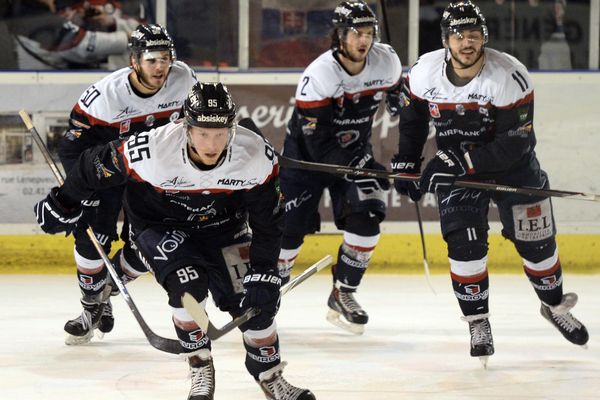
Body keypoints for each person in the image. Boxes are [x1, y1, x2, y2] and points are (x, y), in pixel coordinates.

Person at [34, 82, 316, 400]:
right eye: (203, 133)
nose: (212, 144)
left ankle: (270, 376)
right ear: (185, 125)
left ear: (232, 127)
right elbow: (93, 165)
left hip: (224, 229)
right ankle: (200, 365)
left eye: (220, 132)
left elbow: (269, 222)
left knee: (256, 306)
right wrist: (63, 203)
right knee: (189, 289)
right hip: (161, 226)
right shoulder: (152, 149)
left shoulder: (255, 154)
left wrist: (264, 271)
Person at [391, 0, 588, 365]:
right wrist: (406, 160)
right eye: (458, 35)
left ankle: (554, 304)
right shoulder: (423, 73)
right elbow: (414, 118)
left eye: (474, 34)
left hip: (512, 168)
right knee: (464, 246)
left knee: (538, 244)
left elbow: (518, 141)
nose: (467, 42)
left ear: (484, 37)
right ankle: (478, 321)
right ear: (445, 40)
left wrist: (460, 160)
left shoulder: (509, 76)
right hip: (458, 172)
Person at [56, 23, 196, 346]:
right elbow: (71, 146)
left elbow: (196, 125)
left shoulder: (184, 79)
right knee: (93, 237)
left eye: (165, 58)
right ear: (134, 61)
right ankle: (91, 309)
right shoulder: (105, 95)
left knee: (149, 245)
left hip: (153, 176)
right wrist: (81, 190)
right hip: (107, 172)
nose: (161, 67)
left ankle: (108, 287)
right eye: (152, 60)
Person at [277, 0, 403, 335]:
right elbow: (318, 145)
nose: (364, 40)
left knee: (367, 218)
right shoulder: (320, 74)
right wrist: (363, 165)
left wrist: (398, 100)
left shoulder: (386, 60)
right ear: (339, 36)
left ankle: (343, 292)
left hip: (354, 154)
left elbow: (398, 90)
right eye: (355, 33)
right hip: (304, 161)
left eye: (368, 32)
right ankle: (266, 292)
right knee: (288, 232)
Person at [5, 0, 132, 69]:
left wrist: (81, 19)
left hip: (35, 90)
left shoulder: (23, 11)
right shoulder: (36, 16)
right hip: (37, 93)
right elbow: (83, 45)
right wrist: (127, 37)